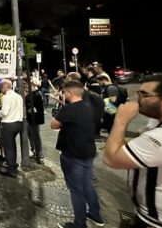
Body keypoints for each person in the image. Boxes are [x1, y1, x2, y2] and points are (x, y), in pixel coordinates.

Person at [103, 73, 162, 228]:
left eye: (144, 94)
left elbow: (111, 159)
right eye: (138, 93)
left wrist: (120, 120)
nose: (138, 98)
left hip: (158, 222)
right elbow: (125, 152)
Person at [50, 80, 104, 228]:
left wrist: (60, 111)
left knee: (76, 189)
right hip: (88, 151)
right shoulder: (87, 107)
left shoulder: (69, 110)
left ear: (70, 93)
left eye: (65, 92)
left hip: (73, 154)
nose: (63, 94)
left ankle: (79, 224)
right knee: (87, 184)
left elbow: (53, 124)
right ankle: (95, 215)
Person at [0, 80, 24, 177]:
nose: (0, 89)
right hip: (18, 123)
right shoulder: (18, 96)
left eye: (1, 87)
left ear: (4, 87)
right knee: (12, 145)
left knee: (8, 147)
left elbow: (4, 112)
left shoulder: (6, 97)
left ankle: (11, 169)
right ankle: (13, 163)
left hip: (8, 124)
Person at [25, 79, 45, 163]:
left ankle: (39, 153)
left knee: (35, 136)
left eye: (27, 85)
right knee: (32, 135)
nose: (26, 87)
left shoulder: (36, 94)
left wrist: (31, 109)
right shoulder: (32, 94)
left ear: (32, 85)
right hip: (31, 119)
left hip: (34, 119)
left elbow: (37, 107)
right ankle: (35, 151)